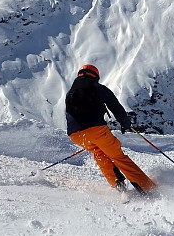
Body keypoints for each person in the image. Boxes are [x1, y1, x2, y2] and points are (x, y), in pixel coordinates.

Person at [65, 63, 156, 193]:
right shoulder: (99, 88)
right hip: (97, 131)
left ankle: (118, 184)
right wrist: (126, 124)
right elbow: (116, 107)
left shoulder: (71, 92)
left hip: (75, 135)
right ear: (96, 76)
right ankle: (147, 188)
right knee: (118, 157)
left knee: (99, 153)